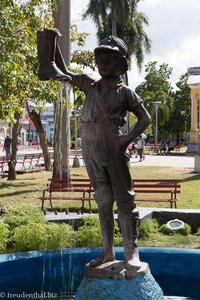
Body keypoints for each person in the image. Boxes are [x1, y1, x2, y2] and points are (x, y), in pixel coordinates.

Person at [40, 35, 151, 274]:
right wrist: (51, 46)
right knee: (102, 200)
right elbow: (63, 72)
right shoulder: (89, 83)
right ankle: (107, 251)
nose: (102, 62)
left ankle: (131, 252)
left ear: (121, 63)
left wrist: (127, 139)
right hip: (92, 150)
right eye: (99, 58)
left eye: (108, 58)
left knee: (124, 200)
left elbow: (145, 118)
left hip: (114, 149)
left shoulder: (126, 93)